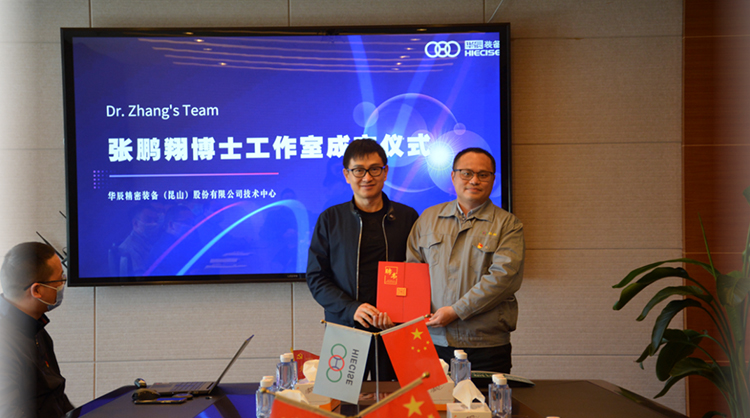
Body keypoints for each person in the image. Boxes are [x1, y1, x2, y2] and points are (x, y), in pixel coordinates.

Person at [307, 138, 419, 380]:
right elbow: (316, 277)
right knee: (342, 398)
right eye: (358, 170)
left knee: (400, 397)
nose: (367, 177)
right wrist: (352, 308)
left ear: (385, 172)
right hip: (346, 328)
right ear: (347, 175)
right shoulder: (330, 219)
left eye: (374, 169)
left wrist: (401, 312)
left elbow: (419, 272)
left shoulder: (407, 217)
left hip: (396, 329)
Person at [406, 147, 525, 373]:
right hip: (433, 340)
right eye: (466, 173)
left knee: (487, 397)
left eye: (483, 174)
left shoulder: (508, 224)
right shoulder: (428, 218)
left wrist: (456, 311)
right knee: (433, 398)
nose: (474, 180)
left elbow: (503, 278)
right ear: (453, 176)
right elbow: (412, 271)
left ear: (493, 179)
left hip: (485, 344)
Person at [0, 242, 74, 418]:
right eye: (60, 279)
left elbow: (56, 397)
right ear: (37, 290)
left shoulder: (36, 328)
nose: (63, 284)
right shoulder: (4, 343)